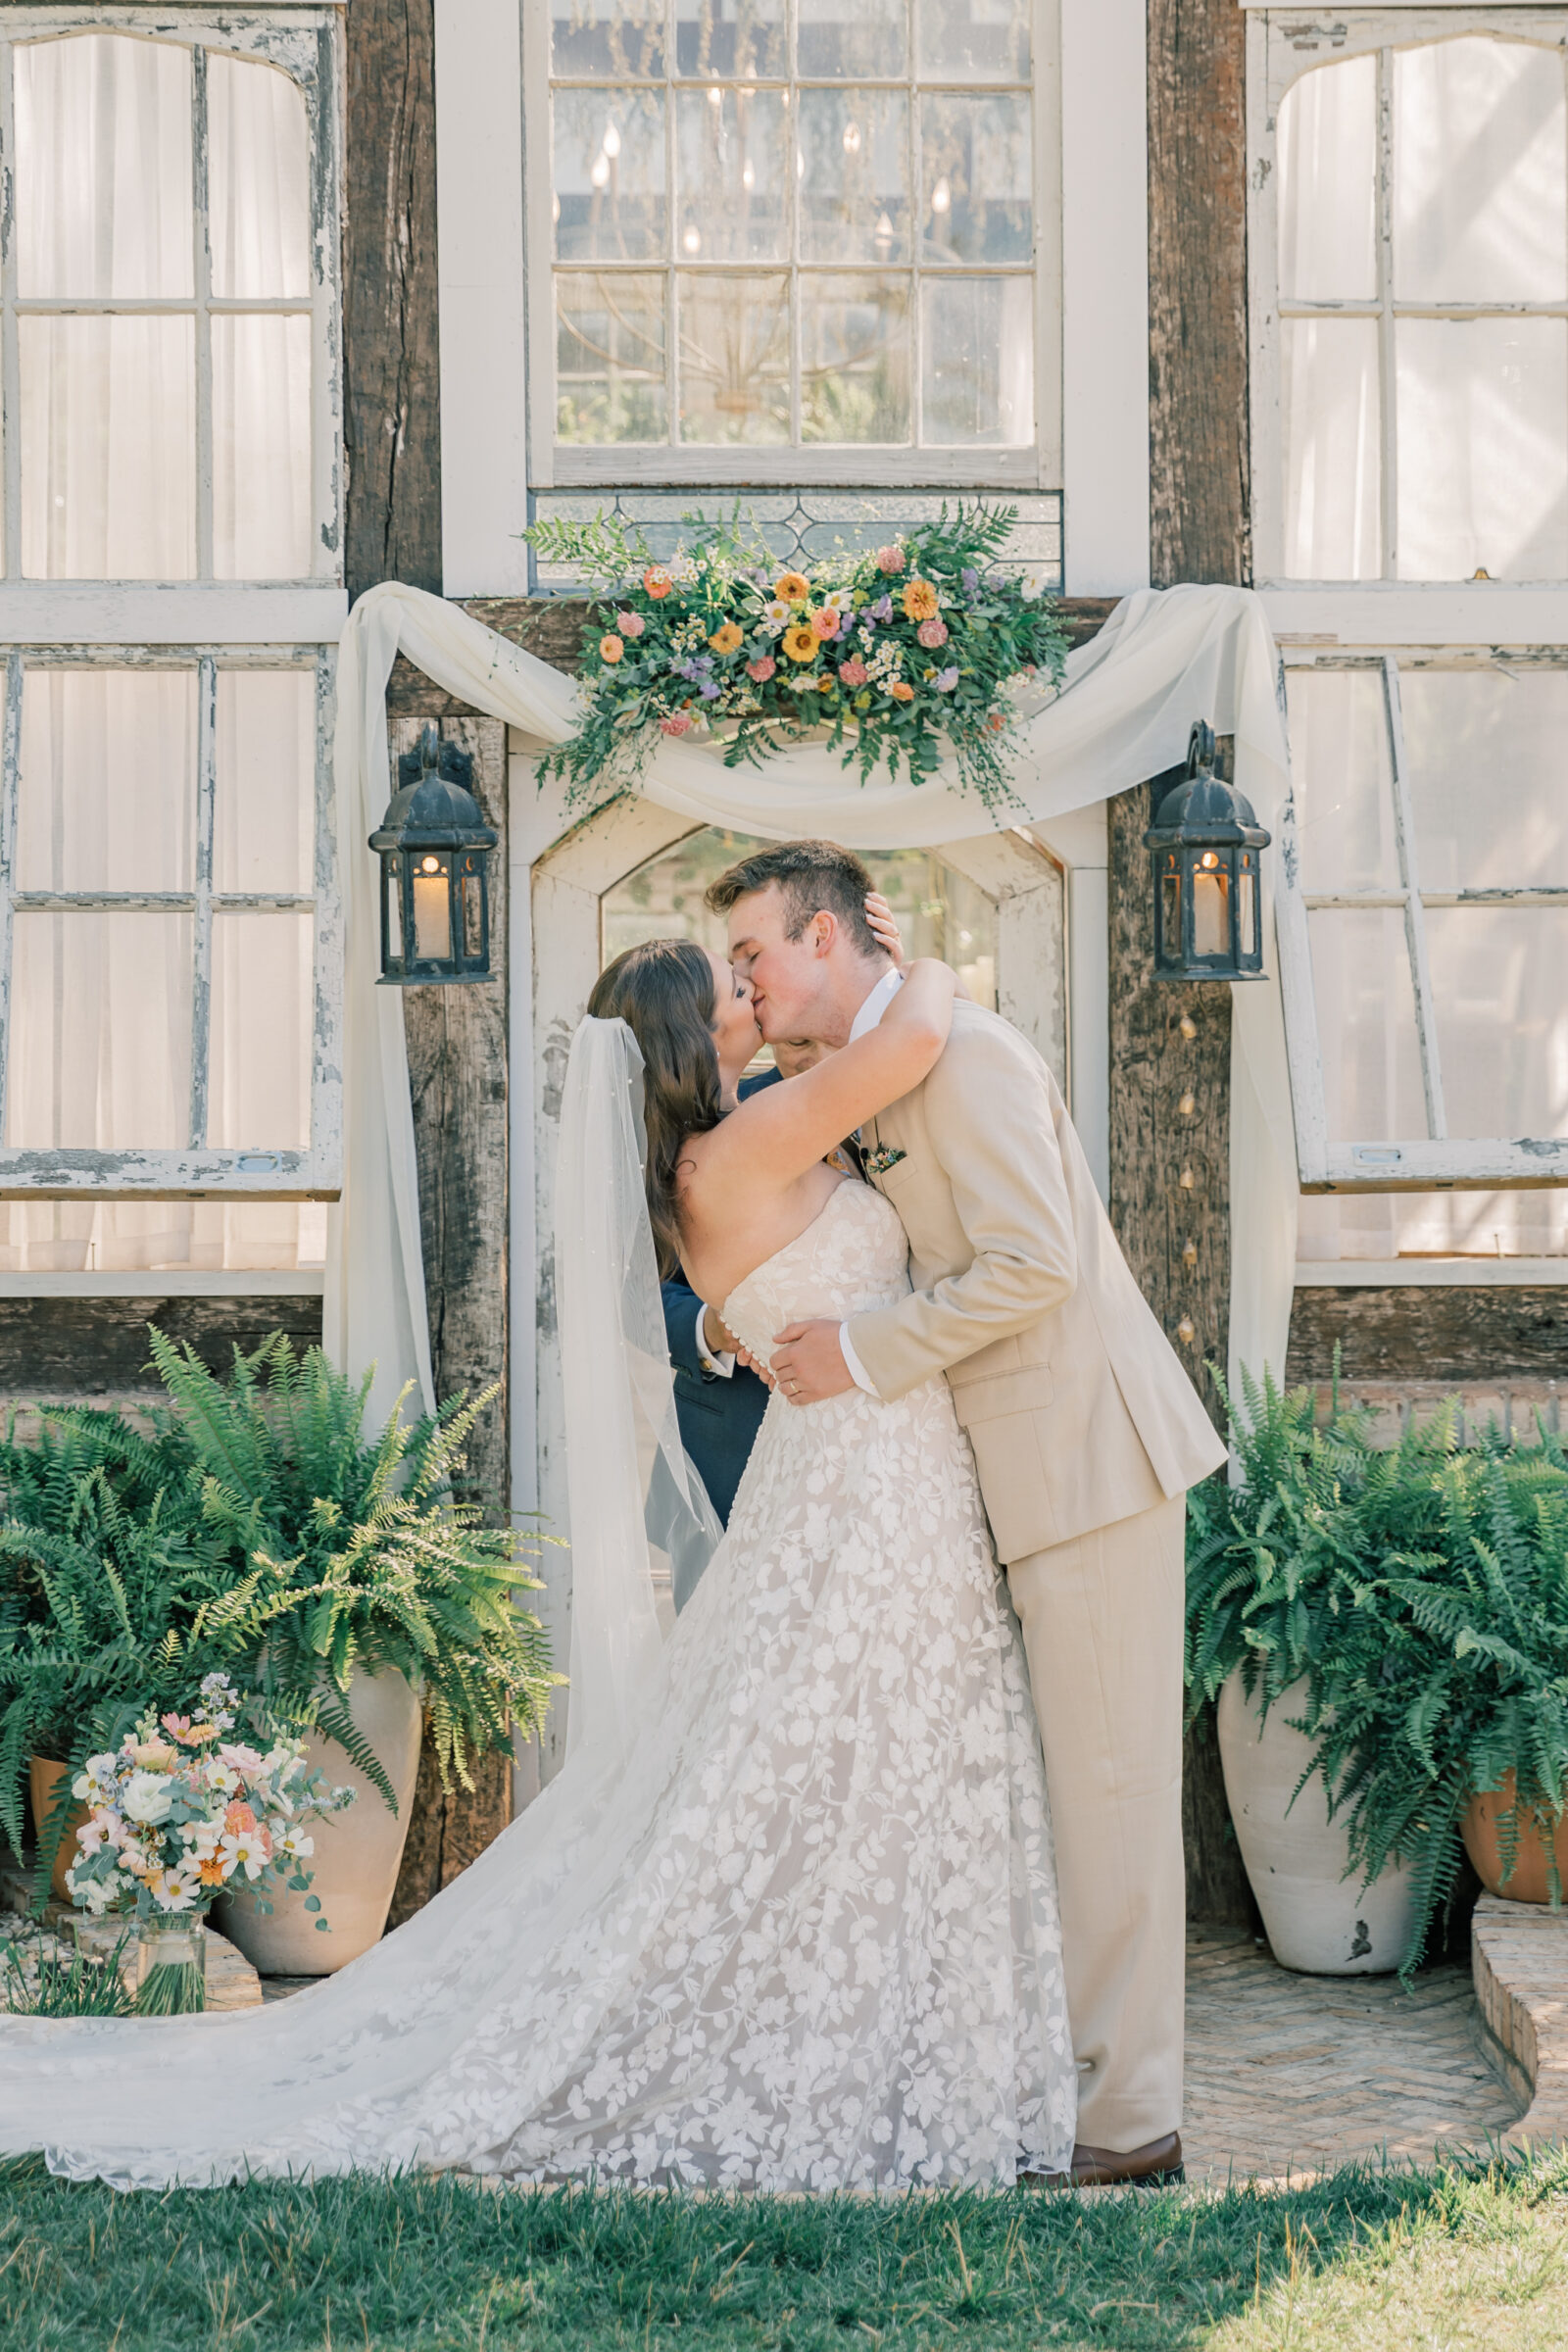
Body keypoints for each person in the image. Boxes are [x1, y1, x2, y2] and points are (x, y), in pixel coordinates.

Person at [0, 925, 1076, 2193]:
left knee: (821, 1765)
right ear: (691, 1035)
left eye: (752, 970)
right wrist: (919, 955)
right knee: (823, 1762)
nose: (754, 994)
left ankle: (878, 2020)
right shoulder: (737, 1154)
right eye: (732, 986)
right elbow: (907, 1039)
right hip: (848, 1488)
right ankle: (842, 2028)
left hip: (858, 1484)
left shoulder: (731, 1153)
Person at [708, 838, 1228, 2191]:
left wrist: (865, 1352)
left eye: (757, 949)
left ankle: (1132, 2125)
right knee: (1060, 1801)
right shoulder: (856, 1074)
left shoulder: (973, 1053)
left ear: (828, 939)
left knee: (1110, 1801)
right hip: (998, 1479)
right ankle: (1065, 2084)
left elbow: (1036, 1263)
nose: (747, 980)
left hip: (1085, 1462)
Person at [660, 900, 905, 1576]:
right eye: (738, 983)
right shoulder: (684, 1146)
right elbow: (623, 1291)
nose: (754, 988)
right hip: (734, 1434)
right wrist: (719, 1325)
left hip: (887, 1439)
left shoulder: (827, 1096)